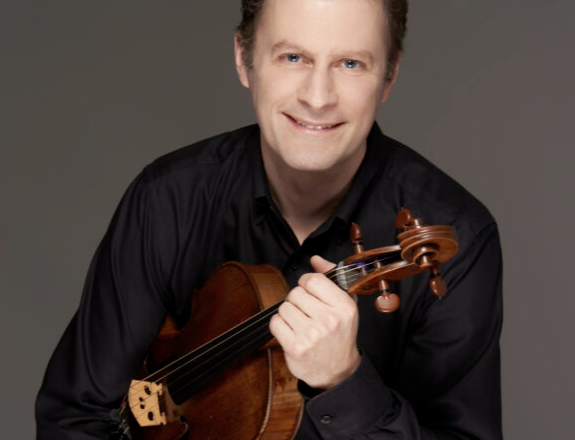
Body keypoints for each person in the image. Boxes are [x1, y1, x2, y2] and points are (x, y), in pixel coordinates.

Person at [36, 0, 503, 439]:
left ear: (389, 76)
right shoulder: (169, 197)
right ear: (244, 60)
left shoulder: (458, 234)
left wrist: (345, 382)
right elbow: (76, 414)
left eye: (350, 63)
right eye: (293, 58)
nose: (318, 97)